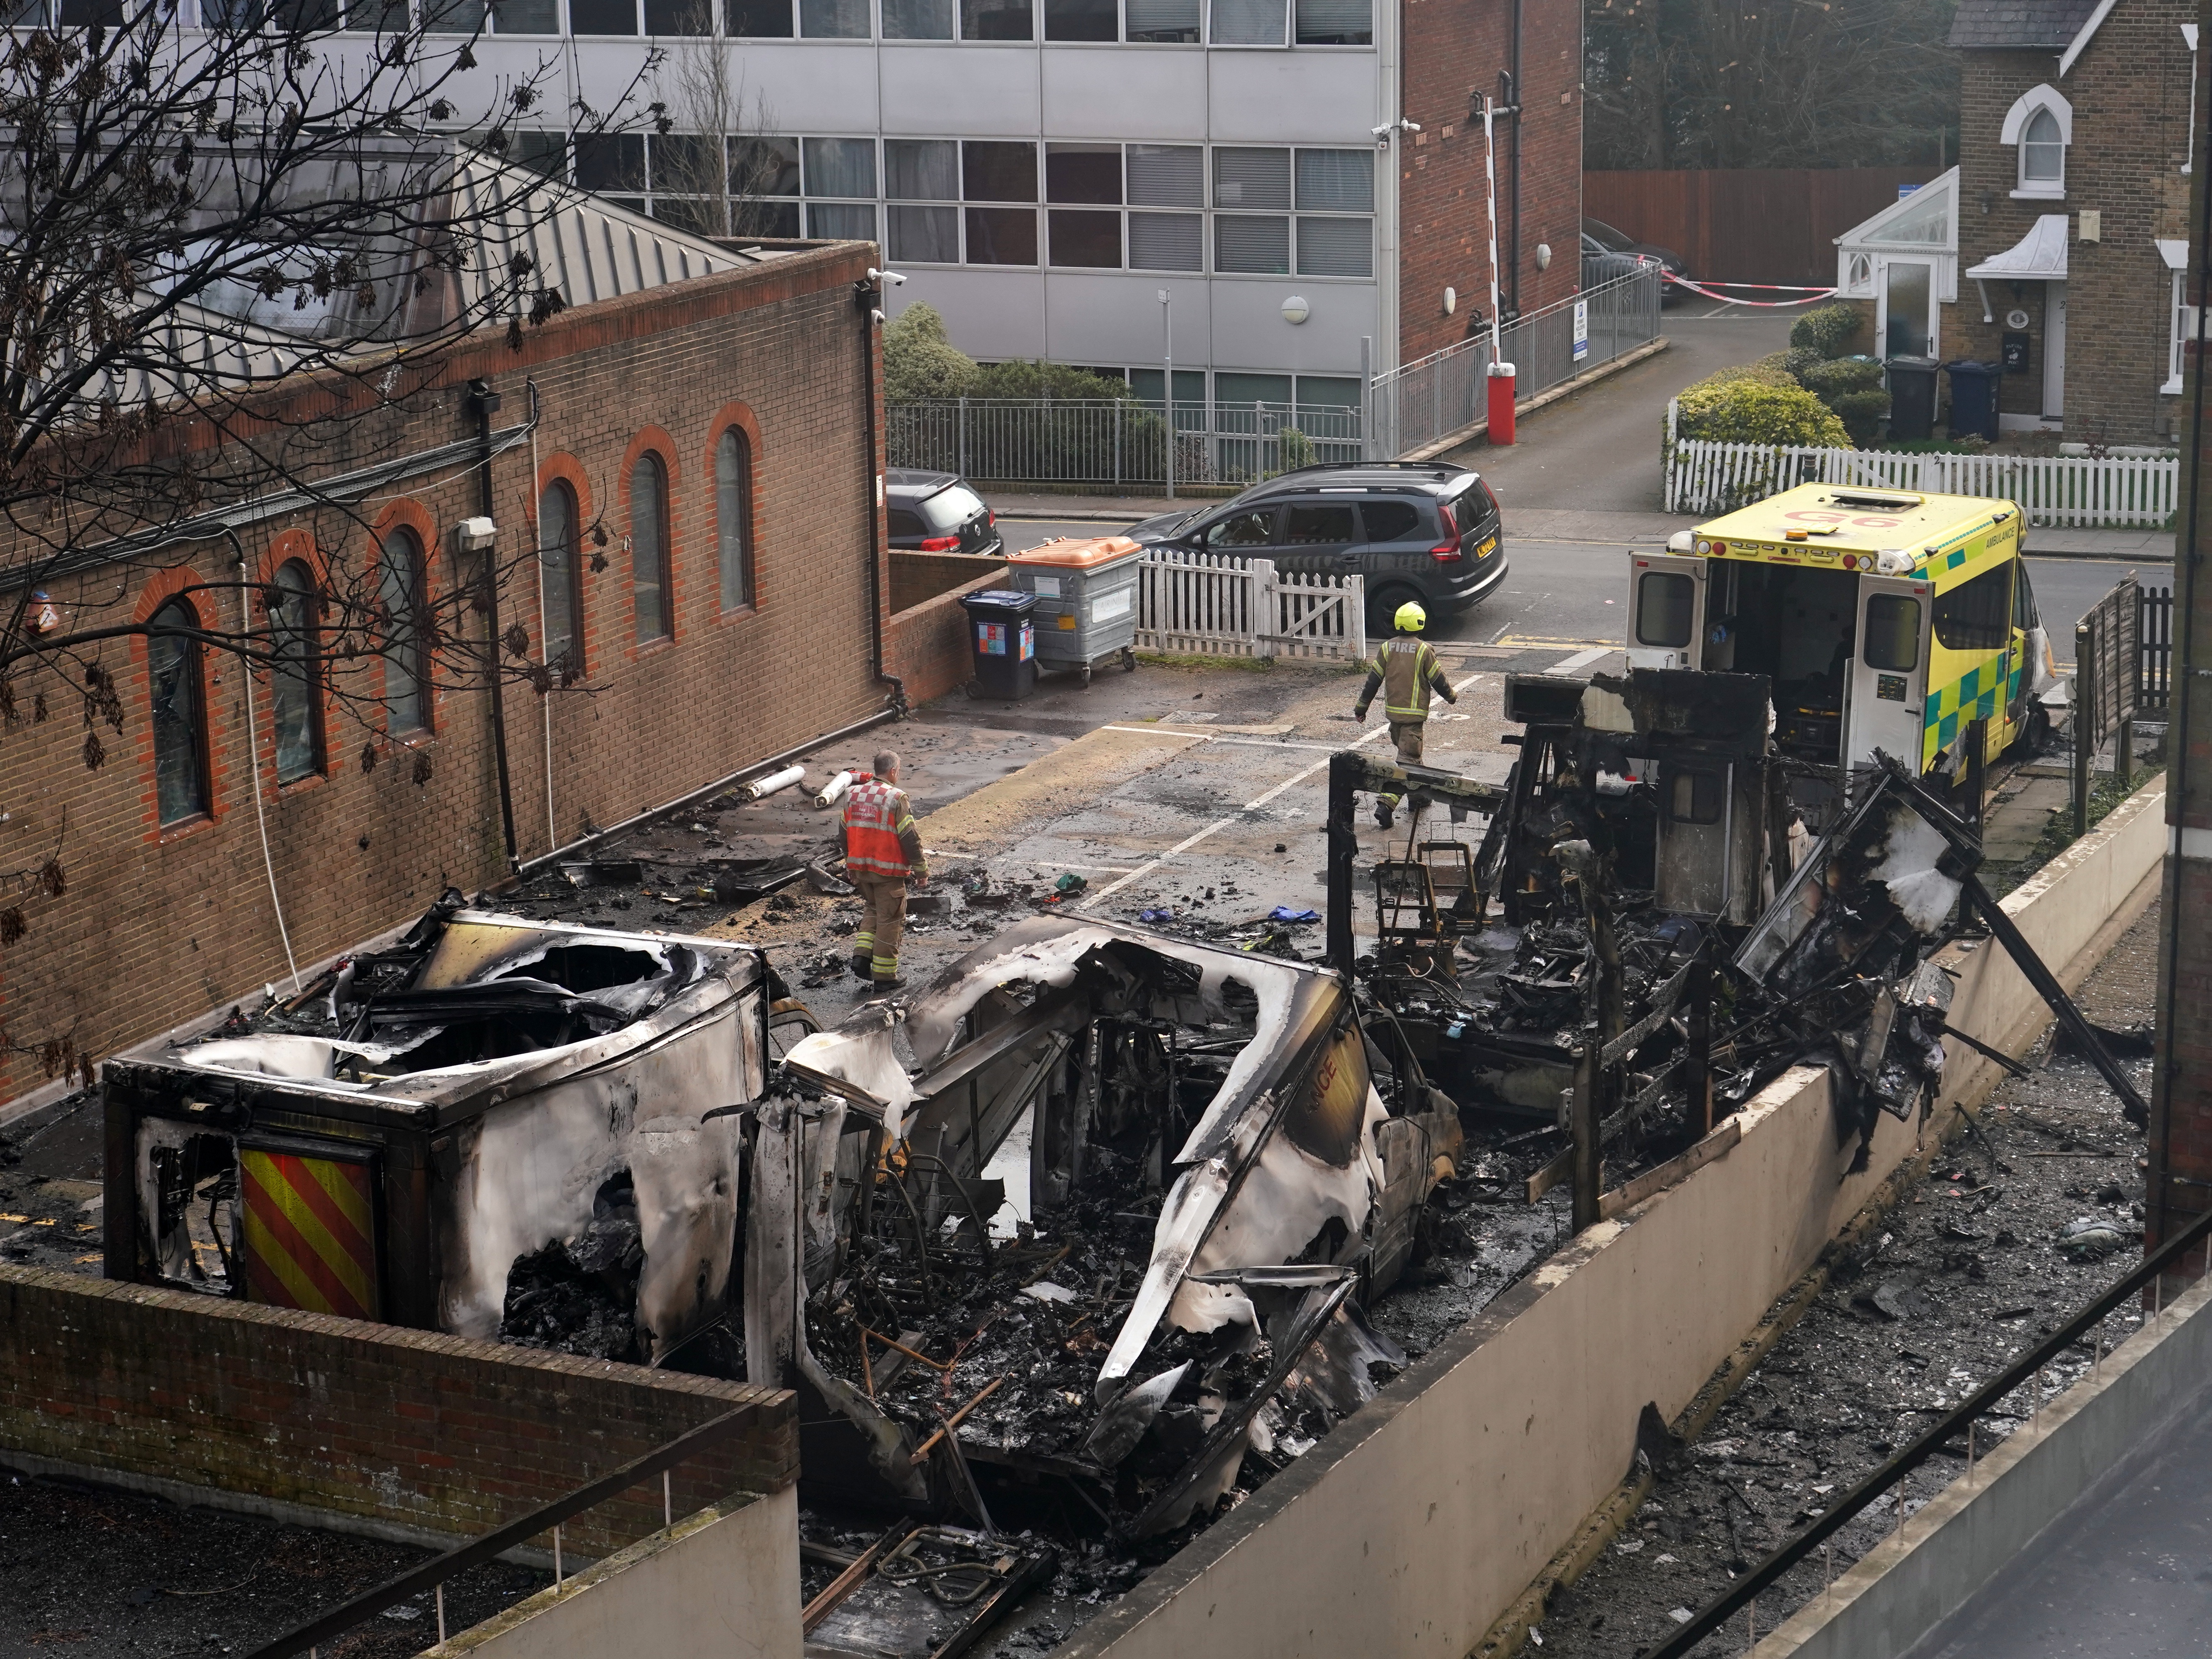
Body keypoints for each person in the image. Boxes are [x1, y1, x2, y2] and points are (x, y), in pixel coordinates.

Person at [1353, 600, 1456, 829]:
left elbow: (1373, 682)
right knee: (1407, 763)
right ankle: (1386, 803)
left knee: (1411, 757)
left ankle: (1418, 798)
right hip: (1414, 719)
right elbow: (1438, 680)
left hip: (1394, 719)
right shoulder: (1424, 650)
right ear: (1420, 622)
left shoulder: (1387, 648)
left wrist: (1361, 708)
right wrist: (1451, 697)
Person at [842, 750, 927, 990]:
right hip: (887, 873)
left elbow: (843, 833)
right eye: (898, 770)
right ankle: (885, 977)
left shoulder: (852, 794)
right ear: (892, 771)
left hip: (861, 870)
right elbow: (909, 837)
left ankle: (862, 957)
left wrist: (850, 864)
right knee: (891, 920)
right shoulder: (896, 798)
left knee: (873, 909)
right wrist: (921, 870)